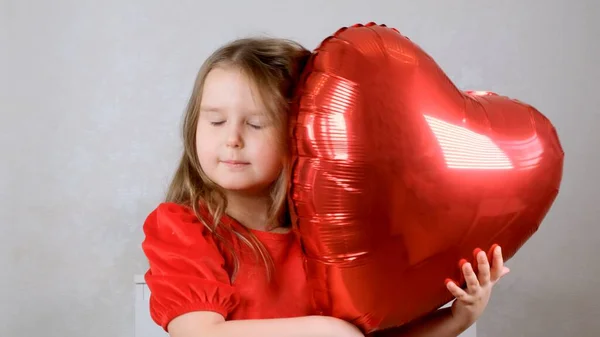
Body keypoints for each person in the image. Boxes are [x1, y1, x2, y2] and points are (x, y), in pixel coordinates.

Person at [141, 36, 510, 337]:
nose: (232, 139)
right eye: (216, 121)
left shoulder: (329, 236)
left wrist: (458, 317)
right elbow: (200, 333)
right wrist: (326, 329)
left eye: (255, 124)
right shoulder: (183, 228)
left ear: (299, 134)